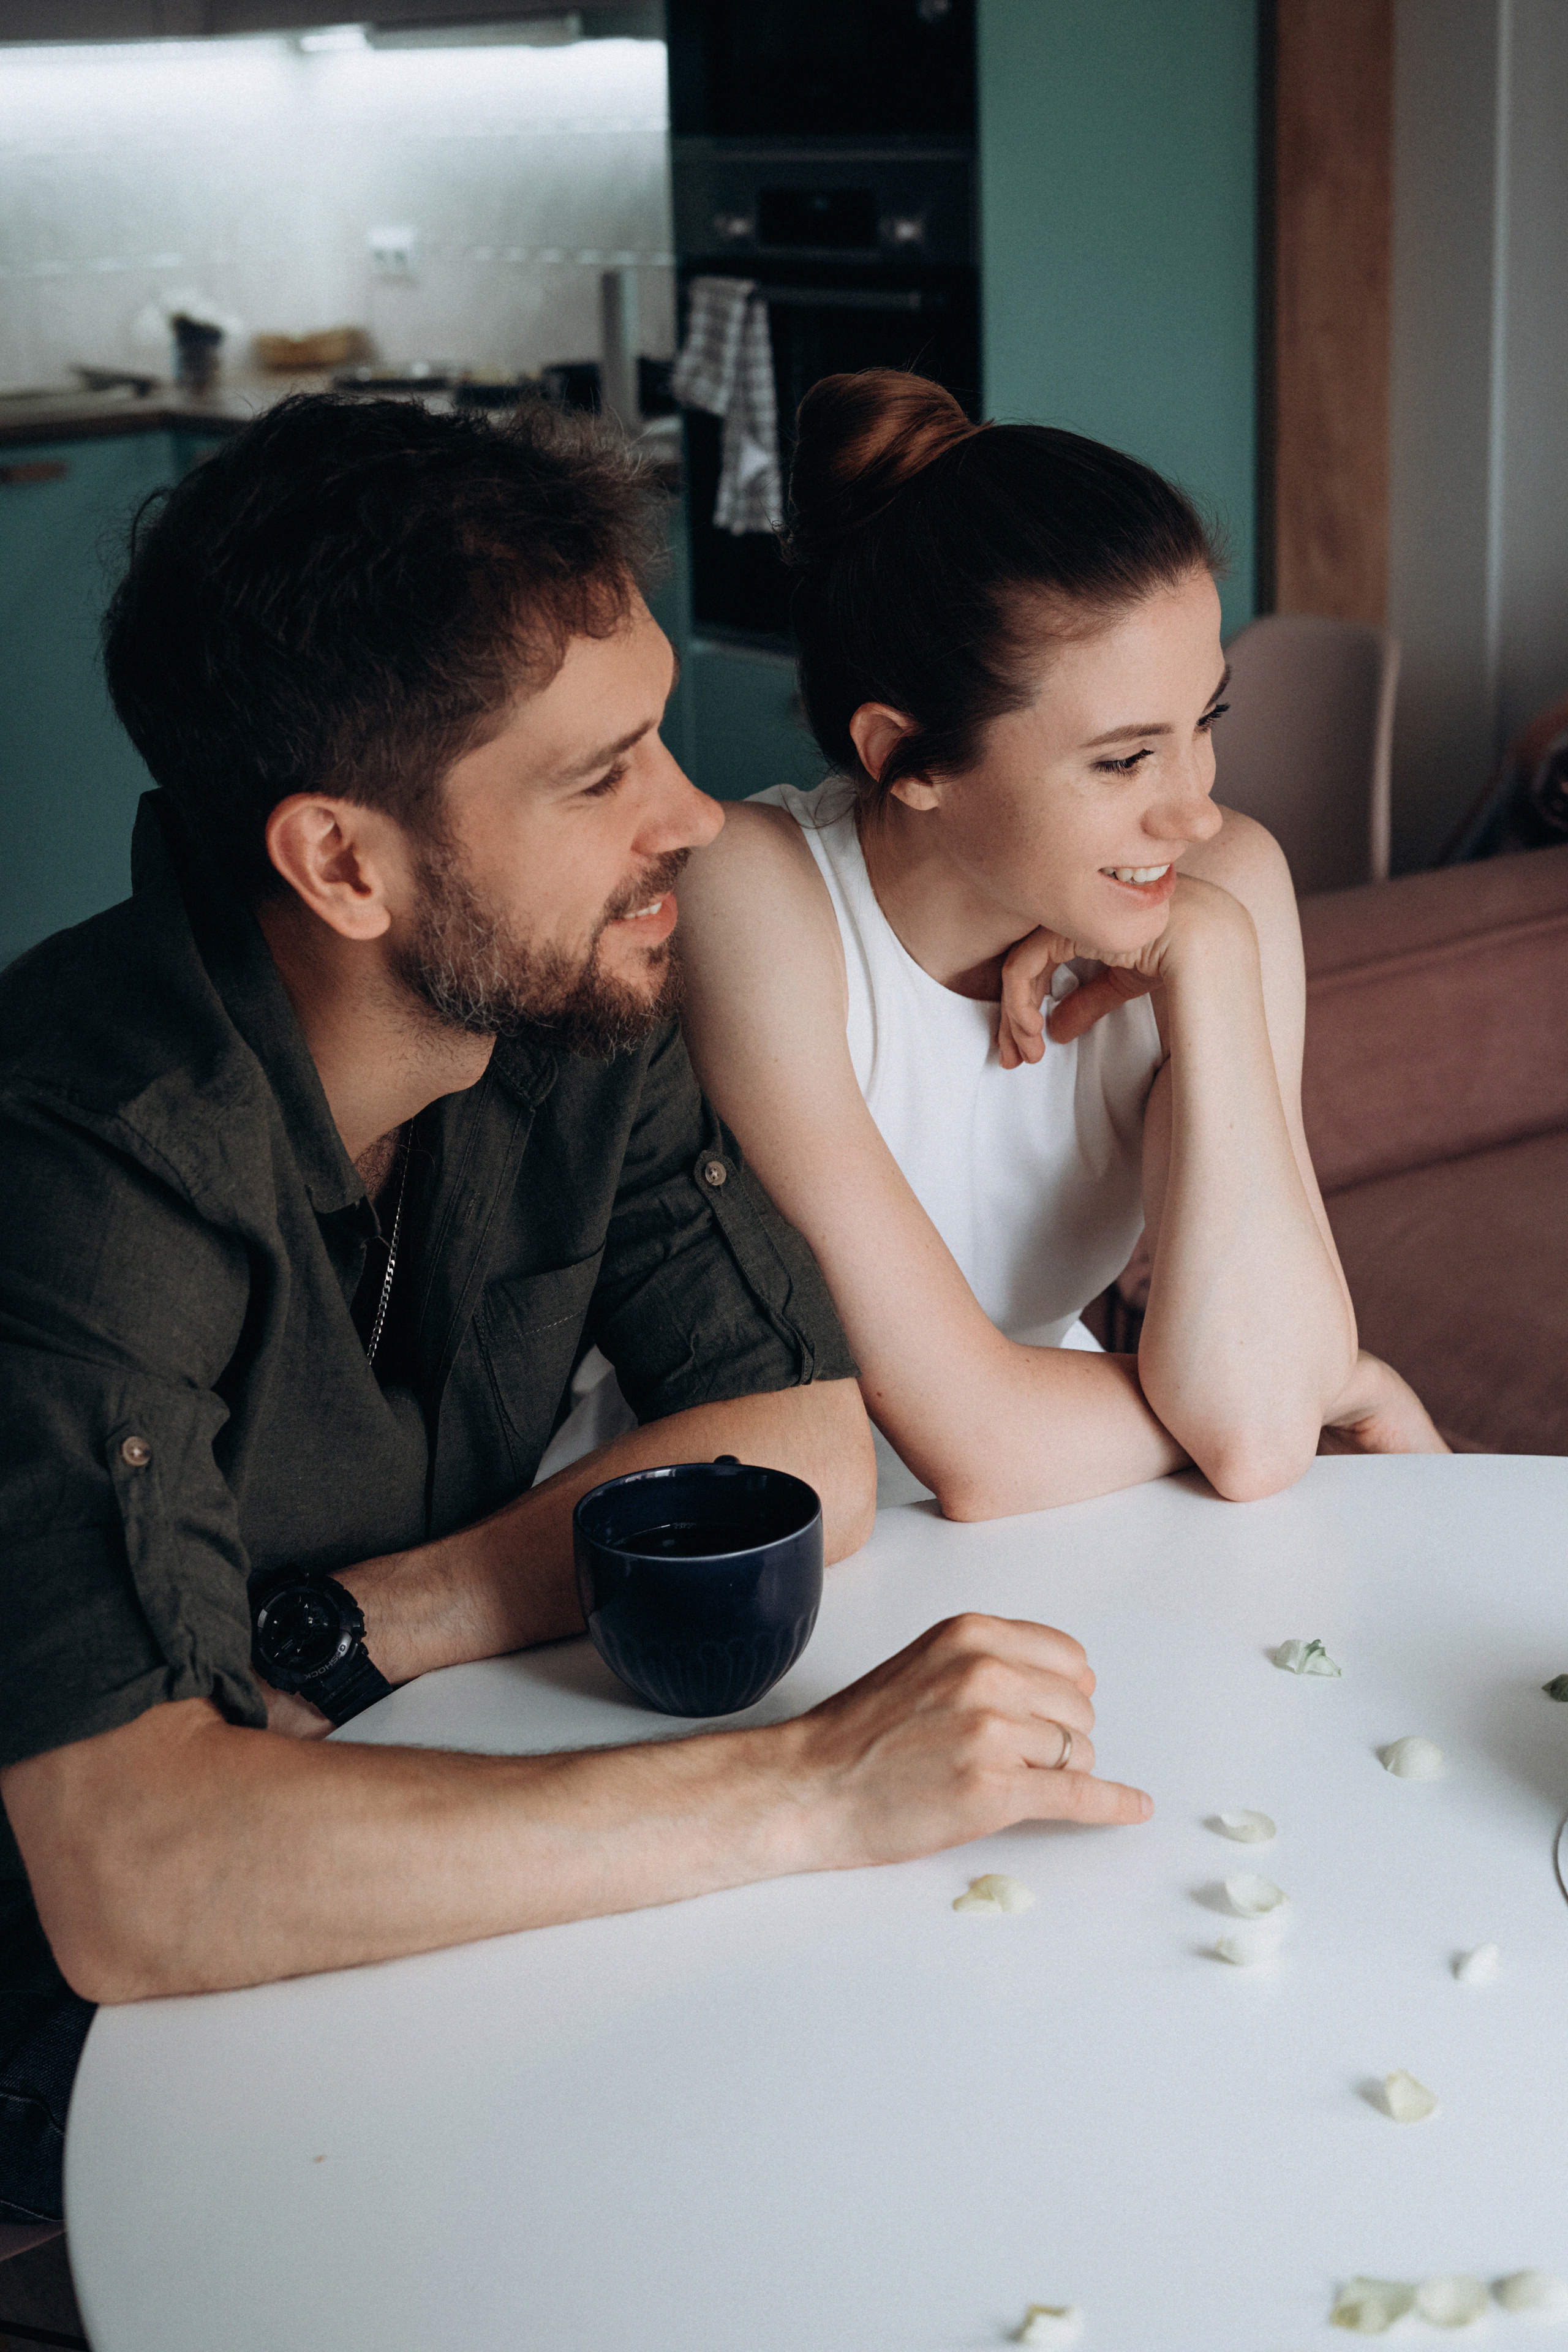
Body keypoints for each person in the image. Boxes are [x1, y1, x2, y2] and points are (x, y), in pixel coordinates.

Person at [0, 394, 1153, 2230]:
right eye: (598, 773)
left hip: (382, 1882)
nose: (695, 817)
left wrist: (354, 1629)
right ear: (344, 864)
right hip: (77, 2081)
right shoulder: (80, 1149)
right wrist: (807, 1792)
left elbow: (801, 1452)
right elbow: (132, 1872)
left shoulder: (558, 1022)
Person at [678, 371, 1447, 1520]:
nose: (1195, 808)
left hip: (1069, 1521)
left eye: (1207, 724)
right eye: (1125, 759)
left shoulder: (1220, 884)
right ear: (908, 759)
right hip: (742, 1542)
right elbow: (981, 1449)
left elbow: (1247, 1442)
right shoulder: (757, 893)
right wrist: (1307, 1391)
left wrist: (1216, 958)